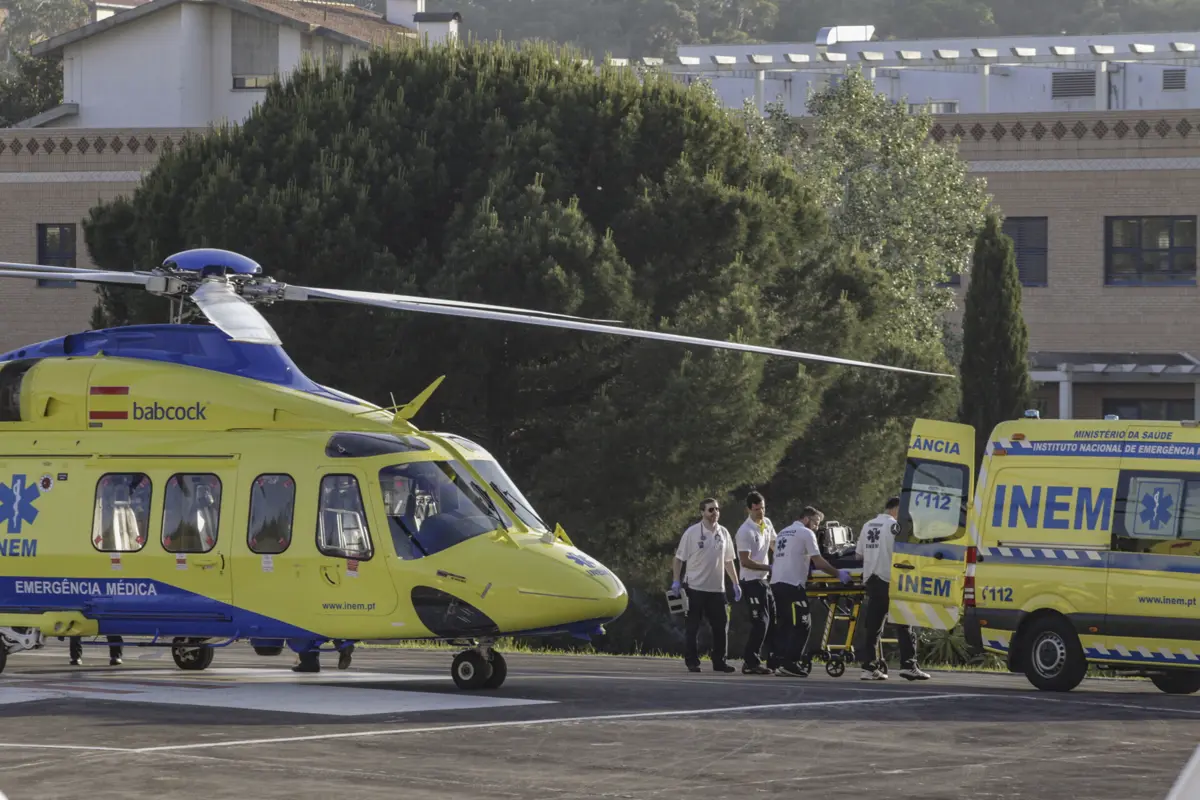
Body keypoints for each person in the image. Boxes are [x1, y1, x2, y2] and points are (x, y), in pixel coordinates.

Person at [769, 505, 850, 677]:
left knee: (785, 624)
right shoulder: (806, 533)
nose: (817, 527)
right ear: (806, 519)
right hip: (792, 584)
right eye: (815, 523)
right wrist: (837, 573)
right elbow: (819, 561)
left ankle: (779, 660)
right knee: (803, 623)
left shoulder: (784, 532)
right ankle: (790, 663)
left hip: (776, 583)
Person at [856, 496, 931, 681]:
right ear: (897, 509)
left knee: (873, 626)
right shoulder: (894, 527)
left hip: (872, 579)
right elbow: (906, 553)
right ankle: (909, 665)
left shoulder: (868, 525)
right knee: (904, 623)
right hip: (891, 579)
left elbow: (859, 555)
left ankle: (869, 667)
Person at [671, 497, 741, 674]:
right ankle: (692, 662)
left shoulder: (723, 533)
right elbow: (678, 558)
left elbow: (728, 560)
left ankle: (720, 662)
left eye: (717, 509)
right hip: (694, 588)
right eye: (710, 510)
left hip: (717, 589)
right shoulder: (692, 532)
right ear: (702, 512)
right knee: (692, 628)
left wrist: (735, 583)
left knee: (720, 627)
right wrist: (676, 580)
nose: (715, 513)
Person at [736, 490, 776, 675]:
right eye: (757, 509)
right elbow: (745, 561)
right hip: (751, 581)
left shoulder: (766, 523)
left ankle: (774, 659)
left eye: (763, 508)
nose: (761, 512)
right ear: (749, 510)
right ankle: (750, 662)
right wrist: (769, 568)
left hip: (764, 581)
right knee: (760, 622)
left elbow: (774, 544)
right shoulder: (745, 531)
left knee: (772, 619)